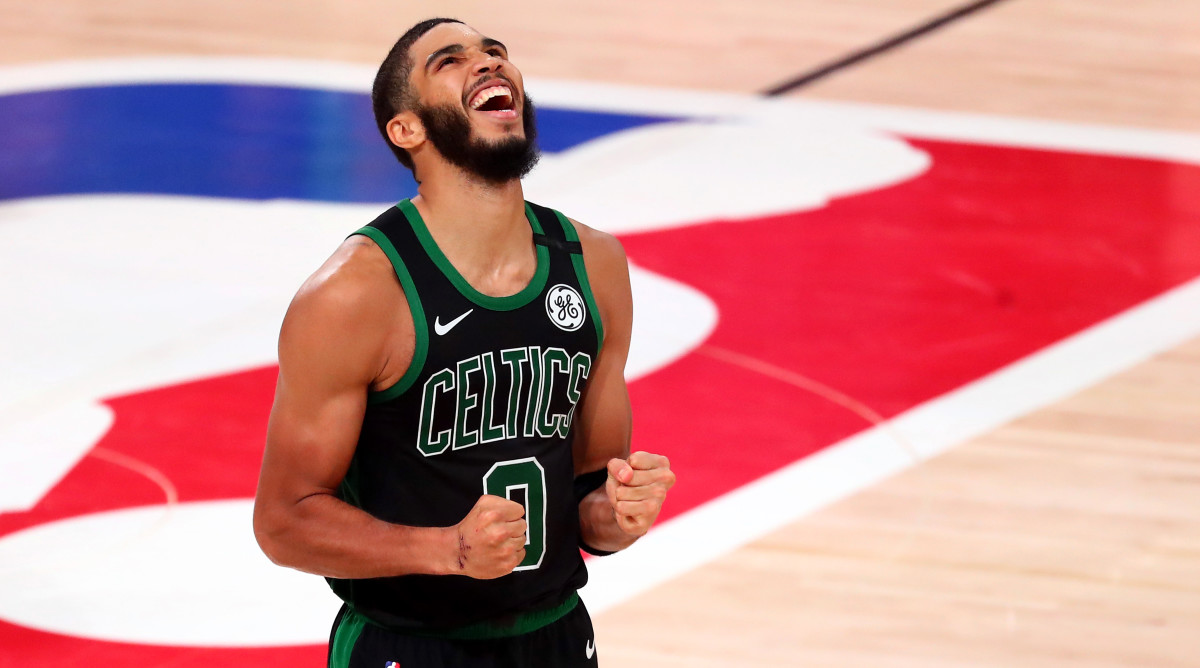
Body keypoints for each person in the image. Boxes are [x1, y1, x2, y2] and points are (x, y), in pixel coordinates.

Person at [252, 17, 676, 668]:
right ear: (407, 128)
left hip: (556, 634)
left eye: (496, 52)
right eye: (450, 61)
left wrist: (616, 513)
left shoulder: (594, 263)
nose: (488, 62)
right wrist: (446, 550)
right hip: (410, 646)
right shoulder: (357, 293)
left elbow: (591, 494)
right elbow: (285, 520)